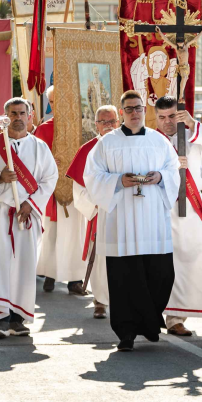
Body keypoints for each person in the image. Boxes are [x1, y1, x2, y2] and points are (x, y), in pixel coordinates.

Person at [85, 90, 180, 352]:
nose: (135, 113)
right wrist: (117, 181)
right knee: (125, 279)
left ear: (143, 110)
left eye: (138, 108)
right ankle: (126, 333)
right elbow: (92, 176)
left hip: (153, 221)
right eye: (129, 109)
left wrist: (160, 178)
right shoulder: (106, 143)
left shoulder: (159, 141)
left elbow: (173, 171)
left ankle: (149, 324)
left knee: (161, 275)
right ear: (122, 112)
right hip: (122, 221)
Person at [0, 97, 58, 338]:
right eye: (13, 113)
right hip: (0, 213)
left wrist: (31, 204)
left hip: (27, 215)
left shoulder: (40, 147)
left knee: (25, 264)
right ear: (6, 116)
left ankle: (18, 318)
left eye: (22, 113)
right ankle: (0, 318)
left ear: (30, 116)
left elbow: (50, 179)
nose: (18, 117)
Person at [153, 96, 202, 337]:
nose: (167, 122)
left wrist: (193, 123)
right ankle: (154, 311)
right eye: (162, 117)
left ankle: (177, 317)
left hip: (188, 207)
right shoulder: (150, 140)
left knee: (187, 259)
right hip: (159, 207)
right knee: (158, 261)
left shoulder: (192, 136)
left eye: (172, 116)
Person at [67, 105, 120, 319]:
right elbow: (78, 189)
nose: (108, 126)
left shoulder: (127, 145)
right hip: (99, 212)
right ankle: (100, 300)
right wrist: (97, 204)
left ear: (119, 121)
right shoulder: (88, 149)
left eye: (112, 121)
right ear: (96, 124)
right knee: (99, 259)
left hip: (125, 211)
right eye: (103, 122)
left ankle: (122, 299)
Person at [34, 87, 87, 295]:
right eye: (53, 102)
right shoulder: (44, 129)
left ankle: (75, 279)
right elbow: (35, 161)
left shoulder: (81, 127)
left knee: (75, 235)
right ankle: (49, 274)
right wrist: (48, 163)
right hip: (52, 192)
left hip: (76, 189)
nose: (57, 107)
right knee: (52, 235)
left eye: (60, 102)